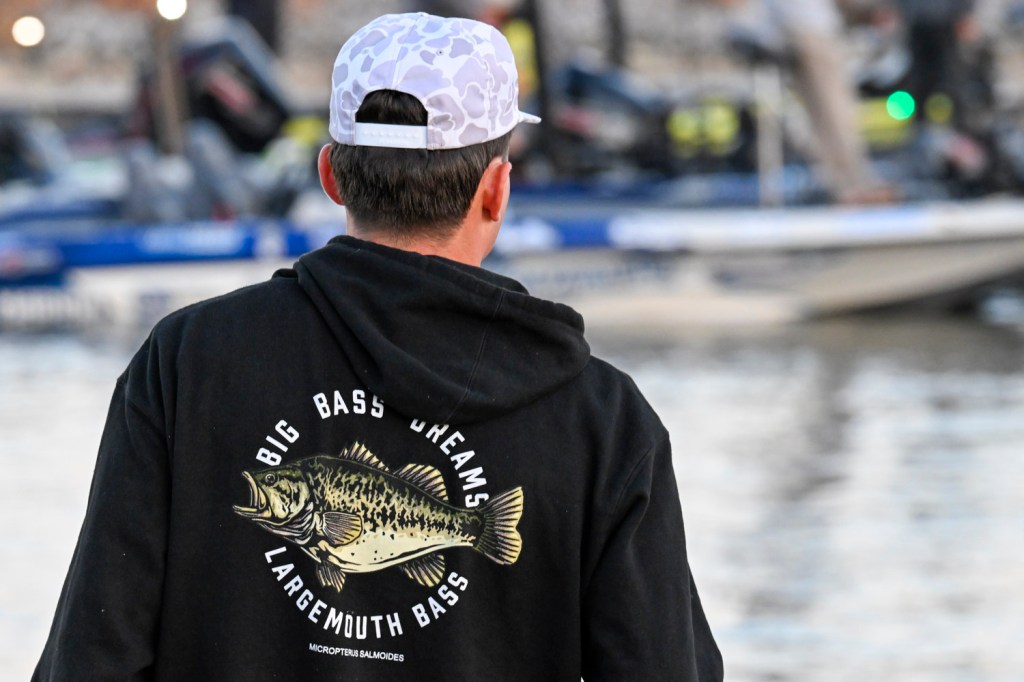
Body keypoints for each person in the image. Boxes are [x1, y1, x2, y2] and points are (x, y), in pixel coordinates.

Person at [33, 12, 722, 681]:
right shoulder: (605, 422)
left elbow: (92, 656)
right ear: (497, 188)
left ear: (330, 175)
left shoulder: (186, 362)